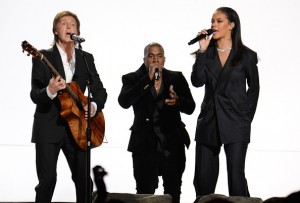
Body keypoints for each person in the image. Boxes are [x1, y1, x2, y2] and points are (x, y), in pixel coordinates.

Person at [30, 11, 107, 203]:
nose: (69, 27)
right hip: (49, 127)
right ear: (56, 31)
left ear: (77, 31)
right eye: (63, 24)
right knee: (47, 181)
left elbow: (99, 90)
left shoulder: (86, 58)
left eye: (73, 24)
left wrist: (94, 105)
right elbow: (35, 94)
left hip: (79, 127)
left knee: (84, 182)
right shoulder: (42, 57)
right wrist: (50, 90)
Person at [191, 7, 260, 197]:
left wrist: (245, 118)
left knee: (236, 178)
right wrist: (202, 51)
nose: (214, 25)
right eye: (212, 21)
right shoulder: (207, 53)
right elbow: (197, 82)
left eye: (219, 21)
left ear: (231, 25)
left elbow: (254, 90)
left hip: (236, 122)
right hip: (209, 121)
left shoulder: (246, 55)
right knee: (203, 178)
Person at [118, 42, 195, 203]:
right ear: (145, 59)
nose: (155, 60)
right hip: (144, 144)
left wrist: (178, 101)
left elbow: (191, 107)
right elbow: (124, 101)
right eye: (151, 56)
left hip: (172, 143)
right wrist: (148, 79)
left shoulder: (176, 77)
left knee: (173, 191)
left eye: (159, 56)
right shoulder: (132, 78)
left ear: (164, 59)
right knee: (145, 193)